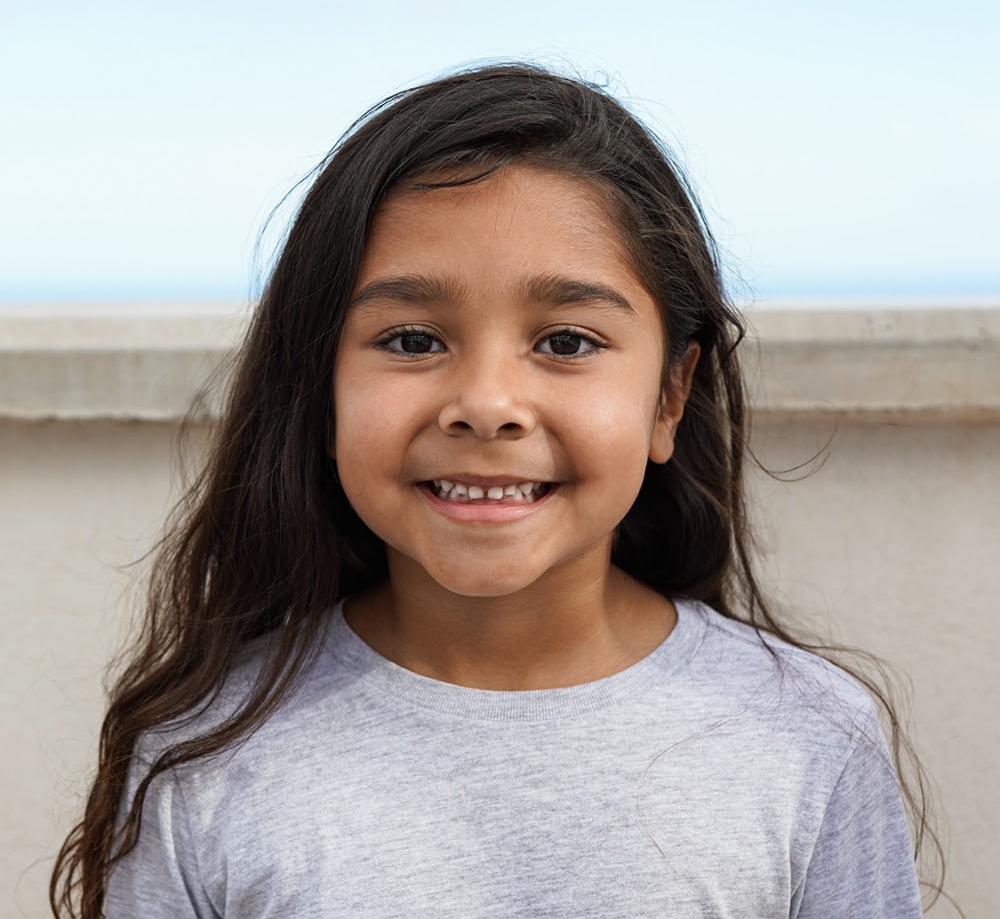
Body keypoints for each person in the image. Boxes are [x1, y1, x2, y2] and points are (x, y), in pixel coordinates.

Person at [51, 64, 935, 918]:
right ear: (317, 387)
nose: (486, 406)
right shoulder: (204, 755)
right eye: (409, 340)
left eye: (567, 342)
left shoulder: (808, 738)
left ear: (670, 396)